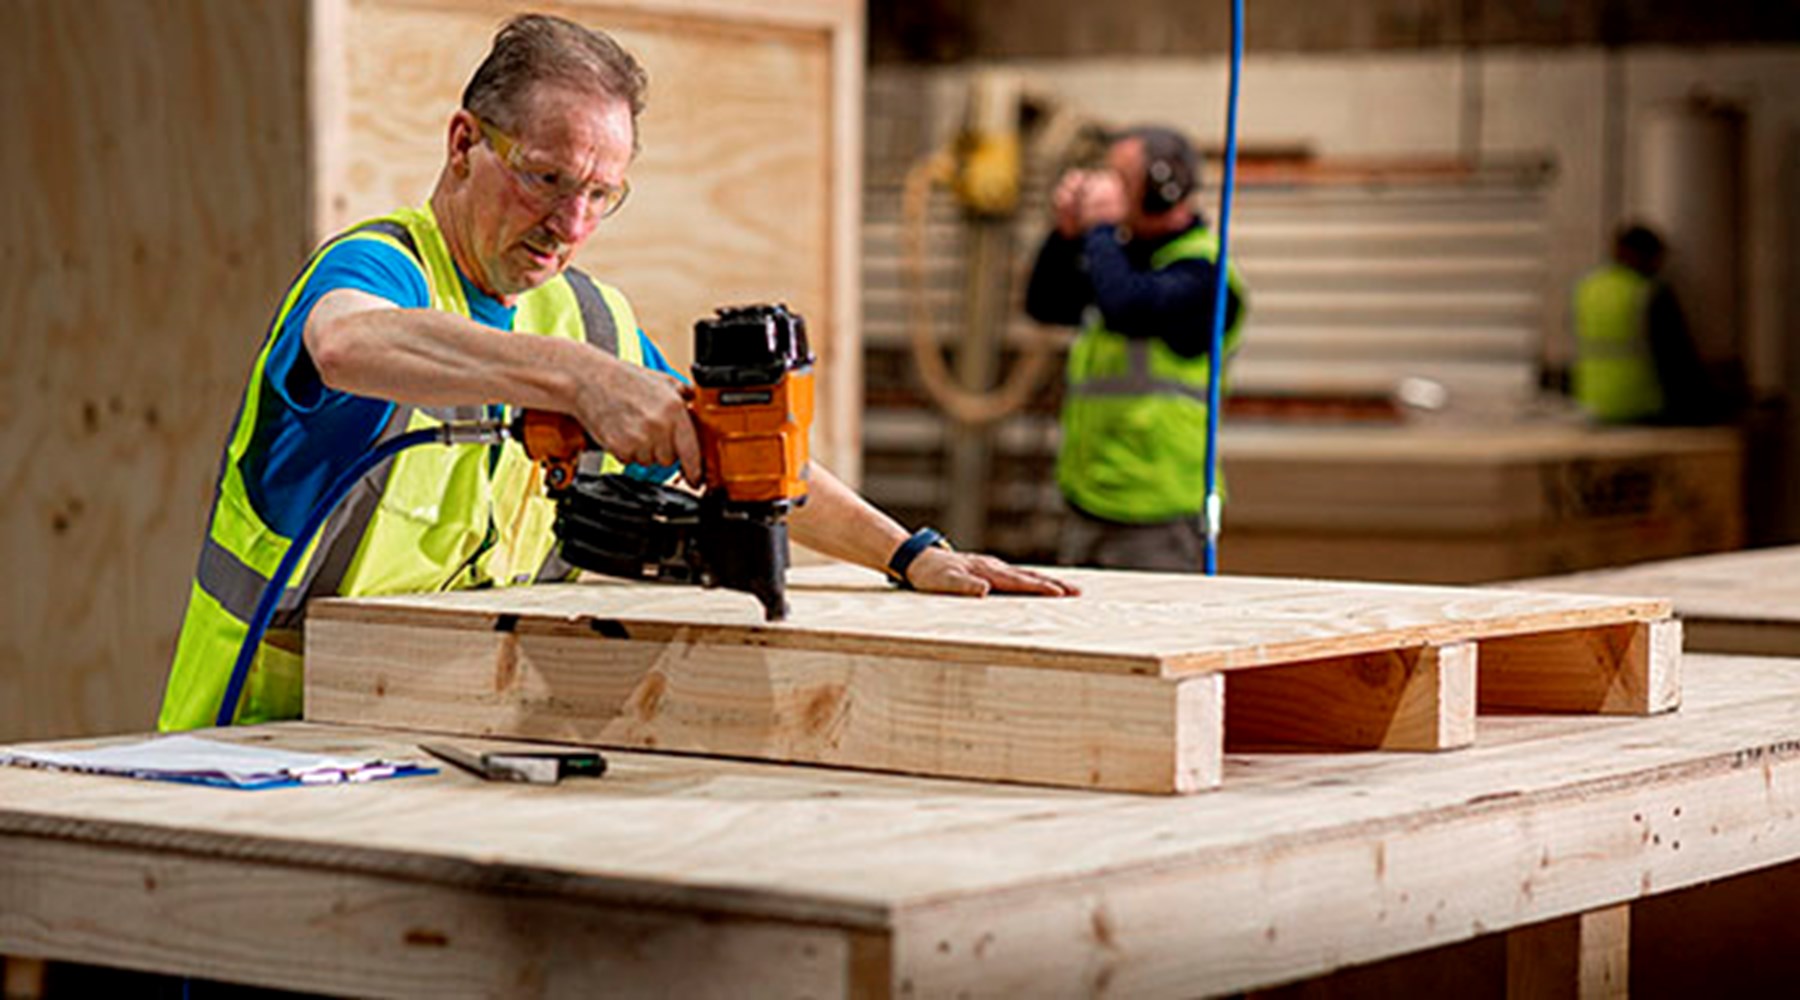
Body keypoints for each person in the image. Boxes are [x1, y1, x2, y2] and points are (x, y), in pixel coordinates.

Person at [159, 14, 1074, 732]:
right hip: (255, 747)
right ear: (463, 143)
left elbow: (730, 454)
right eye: (547, 180)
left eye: (602, 194)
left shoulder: (588, 316)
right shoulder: (382, 271)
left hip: (432, 747)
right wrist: (573, 380)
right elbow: (346, 345)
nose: (572, 224)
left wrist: (909, 554)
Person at [1024, 126, 1247, 572]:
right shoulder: (1119, 259)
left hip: (1158, 511)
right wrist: (1066, 235)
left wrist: (1102, 228)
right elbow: (1046, 304)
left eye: (1120, 178)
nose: (1108, 187)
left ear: (1164, 189)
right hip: (1088, 498)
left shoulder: (1205, 273)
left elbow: (1128, 307)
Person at [1569, 223, 1721, 426]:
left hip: (1593, 406)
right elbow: (1678, 359)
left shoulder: (1587, 288)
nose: (1659, 266)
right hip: (1642, 406)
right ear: (1642, 255)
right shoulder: (1648, 292)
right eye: (1657, 259)